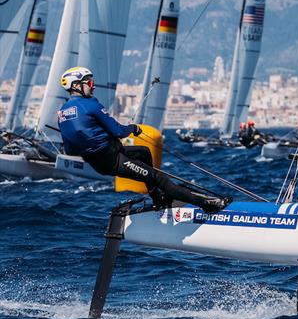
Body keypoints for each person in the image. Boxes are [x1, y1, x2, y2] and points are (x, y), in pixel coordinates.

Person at [57, 67, 231, 212]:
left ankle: (157, 198)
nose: (93, 86)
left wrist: (93, 142)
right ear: (77, 85)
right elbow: (119, 131)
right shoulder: (91, 104)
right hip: (114, 161)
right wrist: (133, 128)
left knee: (143, 152)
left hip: (100, 164)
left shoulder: (63, 112)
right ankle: (207, 205)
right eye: (89, 82)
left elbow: (70, 150)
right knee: (159, 178)